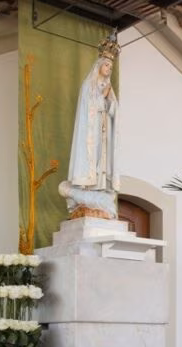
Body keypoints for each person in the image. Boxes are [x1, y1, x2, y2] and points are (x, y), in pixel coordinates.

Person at [59, 35, 121, 219]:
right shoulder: (89, 85)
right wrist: (102, 99)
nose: (108, 69)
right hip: (91, 134)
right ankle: (86, 192)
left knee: (103, 162)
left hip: (104, 134)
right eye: (106, 65)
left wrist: (109, 101)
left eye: (111, 67)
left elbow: (114, 110)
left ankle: (100, 191)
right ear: (99, 65)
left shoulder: (108, 87)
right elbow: (88, 108)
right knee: (92, 160)